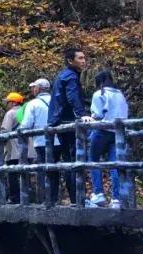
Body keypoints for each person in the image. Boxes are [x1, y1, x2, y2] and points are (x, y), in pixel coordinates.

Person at [47, 47, 90, 205]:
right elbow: (72, 96)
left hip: (58, 119)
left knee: (69, 158)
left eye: (84, 58)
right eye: (80, 58)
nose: (83, 61)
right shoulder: (71, 76)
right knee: (74, 158)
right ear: (70, 61)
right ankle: (78, 199)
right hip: (65, 120)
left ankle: (76, 199)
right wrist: (81, 114)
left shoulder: (65, 75)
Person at [88, 70, 129, 208]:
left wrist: (89, 118)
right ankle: (117, 199)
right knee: (115, 165)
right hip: (118, 132)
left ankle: (98, 193)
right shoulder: (120, 94)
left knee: (93, 160)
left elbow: (98, 115)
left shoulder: (100, 93)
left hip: (102, 130)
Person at [0, 92, 25, 203]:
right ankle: (26, 196)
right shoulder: (26, 112)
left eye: (8, 102)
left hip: (14, 149)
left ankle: (14, 198)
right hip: (27, 149)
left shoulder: (10, 113)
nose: (7, 105)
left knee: (13, 174)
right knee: (25, 173)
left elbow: (5, 131)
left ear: (14, 102)